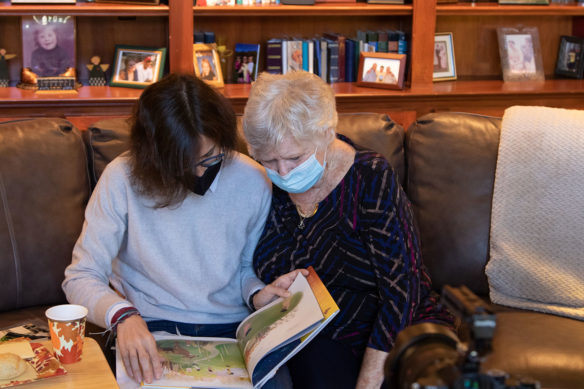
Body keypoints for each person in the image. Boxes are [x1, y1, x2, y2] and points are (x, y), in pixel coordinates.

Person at [62, 73, 301, 387]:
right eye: (184, 162)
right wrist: (123, 317)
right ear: (155, 153)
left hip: (232, 328)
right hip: (150, 326)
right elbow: (81, 275)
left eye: (211, 157)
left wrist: (257, 294)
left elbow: (243, 267)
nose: (200, 172)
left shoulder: (254, 179)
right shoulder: (122, 177)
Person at [242, 71, 453, 389]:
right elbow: (248, 260)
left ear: (326, 134)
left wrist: (368, 382)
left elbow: (402, 290)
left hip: (391, 326)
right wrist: (260, 294)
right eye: (269, 160)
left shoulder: (370, 177)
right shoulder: (264, 183)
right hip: (317, 330)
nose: (282, 172)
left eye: (294, 157)